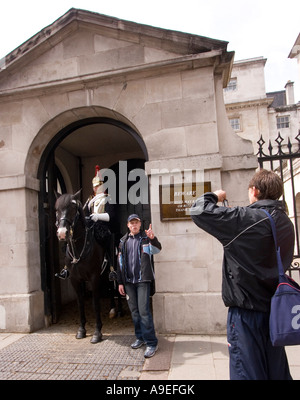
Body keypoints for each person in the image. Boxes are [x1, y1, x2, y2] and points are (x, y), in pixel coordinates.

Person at [190, 169, 295, 380]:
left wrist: (215, 196)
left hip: (246, 314)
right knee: (276, 373)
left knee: (246, 373)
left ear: (254, 191)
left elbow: (198, 210)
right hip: (274, 310)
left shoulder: (246, 218)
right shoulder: (286, 223)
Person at [56, 165, 115, 280]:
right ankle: (66, 267)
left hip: (102, 226)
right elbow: (84, 214)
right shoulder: (90, 200)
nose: (97, 188)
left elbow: (110, 216)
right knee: (72, 240)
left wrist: (97, 216)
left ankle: (112, 268)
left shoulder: (108, 198)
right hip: (90, 225)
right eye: (95, 186)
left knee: (107, 240)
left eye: (99, 185)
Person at [117, 214, 162, 358]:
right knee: (135, 312)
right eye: (132, 223)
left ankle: (151, 342)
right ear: (128, 225)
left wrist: (153, 238)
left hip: (143, 280)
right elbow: (119, 263)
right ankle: (140, 337)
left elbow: (157, 250)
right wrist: (120, 282)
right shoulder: (123, 241)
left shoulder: (146, 239)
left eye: (136, 223)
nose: (134, 225)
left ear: (140, 224)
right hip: (129, 282)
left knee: (144, 312)